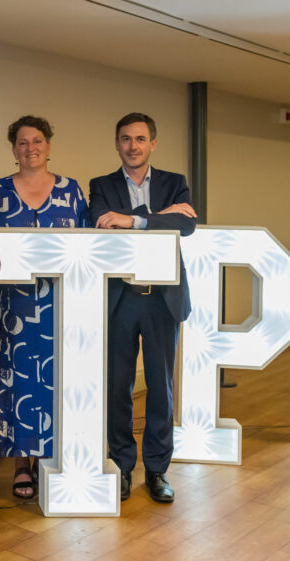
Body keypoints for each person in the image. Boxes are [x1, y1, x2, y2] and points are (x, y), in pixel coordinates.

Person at [0, 115, 90, 500]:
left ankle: (50, 459)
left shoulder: (72, 192)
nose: (31, 148)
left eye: (37, 141)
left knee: (58, 382)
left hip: (63, 308)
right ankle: (21, 464)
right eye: (22, 143)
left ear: (49, 145)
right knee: (14, 384)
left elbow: (89, 251)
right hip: (12, 310)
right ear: (13, 150)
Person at [89, 112, 196, 503]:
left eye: (139, 139)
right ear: (117, 144)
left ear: (153, 143)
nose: (132, 146)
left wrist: (131, 221)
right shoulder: (100, 185)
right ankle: (120, 465)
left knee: (161, 389)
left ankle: (156, 470)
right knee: (118, 387)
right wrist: (156, 219)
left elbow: (186, 226)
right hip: (119, 299)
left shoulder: (174, 183)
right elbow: (101, 221)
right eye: (125, 139)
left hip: (161, 300)